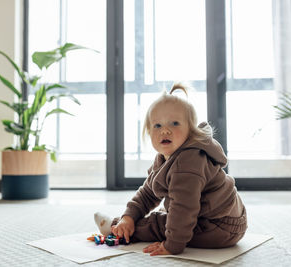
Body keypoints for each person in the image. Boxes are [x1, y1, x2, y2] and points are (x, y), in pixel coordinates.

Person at [94, 83, 247, 255]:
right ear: (148, 131)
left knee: (158, 223)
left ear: (190, 130)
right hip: (223, 218)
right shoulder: (165, 157)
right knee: (168, 213)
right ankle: (123, 223)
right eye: (157, 126)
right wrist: (128, 216)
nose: (165, 130)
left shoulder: (188, 162)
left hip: (219, 226)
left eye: (174, 123)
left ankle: (115, 229)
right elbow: (148, 193)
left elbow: (184, 208)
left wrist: (172, 245)